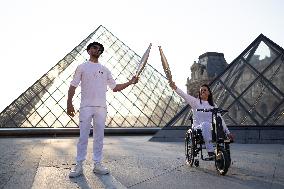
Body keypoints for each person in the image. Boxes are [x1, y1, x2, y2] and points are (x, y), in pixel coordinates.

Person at [67, 42, 139, 178]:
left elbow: (115, 87)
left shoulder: (105, 69)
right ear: (88, 51)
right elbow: (73, 86)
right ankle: (79, 165)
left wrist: (130, 82)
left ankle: (97, 164)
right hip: (85, 106)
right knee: (83, 137)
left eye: (99, 49)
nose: (97, 50)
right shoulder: (81, 67)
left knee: (99, 137)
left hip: (101, 107)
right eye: (94, 47)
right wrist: (69, 103)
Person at [169, 82, 233, 159]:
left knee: (217, 122)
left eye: (205, 90)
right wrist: (175, 88)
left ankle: (223, 154)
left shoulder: (213, 105)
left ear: (209, 93)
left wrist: (228, 132)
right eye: (201, 90)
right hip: (198, 128)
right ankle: (210, 151)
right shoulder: (195, 102)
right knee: (205, 124)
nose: (202, 91)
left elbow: (221, 120)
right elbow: (184, 95)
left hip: (211, 128)